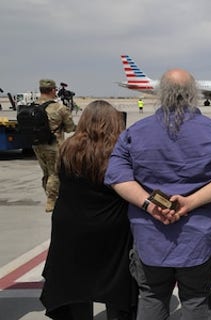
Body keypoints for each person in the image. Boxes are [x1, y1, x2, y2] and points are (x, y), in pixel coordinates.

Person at [105, 68, 211, 320]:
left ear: (161, 94)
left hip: (150, 237)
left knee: (151, 297)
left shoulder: (135, 133)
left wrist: (149, 205)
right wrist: (189, 203)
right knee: (196, 299)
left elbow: (117, 176)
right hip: (199, 238)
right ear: (193, 94)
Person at [40, 100, 137, 319]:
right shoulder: (121, 151)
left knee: (75, 285)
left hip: (72, 223)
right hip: (112, 225)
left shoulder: (67, 148)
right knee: (118, 284)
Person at [32, 79, 76, 212]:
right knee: (54, 173)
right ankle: (51, 200)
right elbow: (70, 128)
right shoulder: (59, 108)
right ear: (52, 90)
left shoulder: (32, 106)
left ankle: (49, 195)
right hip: (53, 145)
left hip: (37, 144)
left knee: (46, 172)